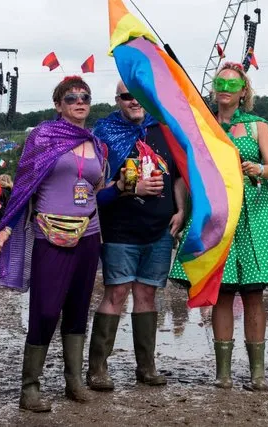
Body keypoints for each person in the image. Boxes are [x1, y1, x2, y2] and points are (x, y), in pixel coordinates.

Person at [169, 62, 268, 391]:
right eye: (219, 83)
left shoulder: (258, 126)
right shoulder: (202, 125)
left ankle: (257, 373)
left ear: (244, 92)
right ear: (214, 89)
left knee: (254, 296)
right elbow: (187, 172)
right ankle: (223, 373)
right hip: (215, 216)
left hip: (253, 216)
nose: (225, 89)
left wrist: (257, 167)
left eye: (232, 84)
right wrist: (183, 210)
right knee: (222, 296)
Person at [0, 76, 104, 412]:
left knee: (80, 307)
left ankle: (74, 382)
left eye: (85, 97)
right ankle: (30, 388)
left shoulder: (95, 143)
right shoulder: (43, 137)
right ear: (58, 105)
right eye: (71, 98)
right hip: (50, 235)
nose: (79, 102)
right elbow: (24, 186)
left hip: (89, 234)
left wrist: (130, 188)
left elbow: (96, 188)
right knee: (46, 308)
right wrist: (6, 229)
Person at [85, 81, 185, 391]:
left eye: (139, 95)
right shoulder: (104, 134)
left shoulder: (164, 129)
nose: (134, 101)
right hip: (120, 230)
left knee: (147, 295)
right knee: (116, 294)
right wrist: (131, 188)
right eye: (127, 96)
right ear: (117, 100)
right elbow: (95, 188)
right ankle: (98, 369)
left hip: (159, 230)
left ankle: (146, 367)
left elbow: (180, 176)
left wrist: (180, 211)